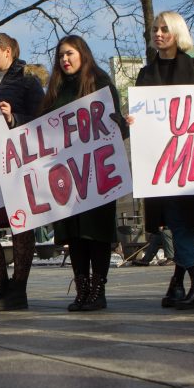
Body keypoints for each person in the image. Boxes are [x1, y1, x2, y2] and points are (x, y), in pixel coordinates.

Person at [132, 11, 194, 309]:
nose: (158, 34)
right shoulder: (146, 74)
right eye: (155, 29)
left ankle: (189, 284)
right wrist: (133, 118)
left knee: (181, 223)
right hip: (162, 163)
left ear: (177, 33)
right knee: (175, 221)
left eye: (164, 29)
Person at [40, 34, 127, 311]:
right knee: (74, 235)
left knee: (95, 233)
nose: (64, 60)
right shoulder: (55, 91)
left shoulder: (101, 84)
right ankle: (82, 289)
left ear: (82, 55)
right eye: (61, 56)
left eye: (70, 54)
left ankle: (98, 290)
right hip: (67, 175)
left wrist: (120, 125)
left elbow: (116, 130)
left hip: (97, 173)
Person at [0, 33, 44, 311]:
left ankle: (18, 289)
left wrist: (14, 119)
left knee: (21, 224)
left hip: (19, 164)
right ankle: (1, 285)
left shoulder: (27, 80)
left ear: (8, 51)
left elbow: (41, 119)